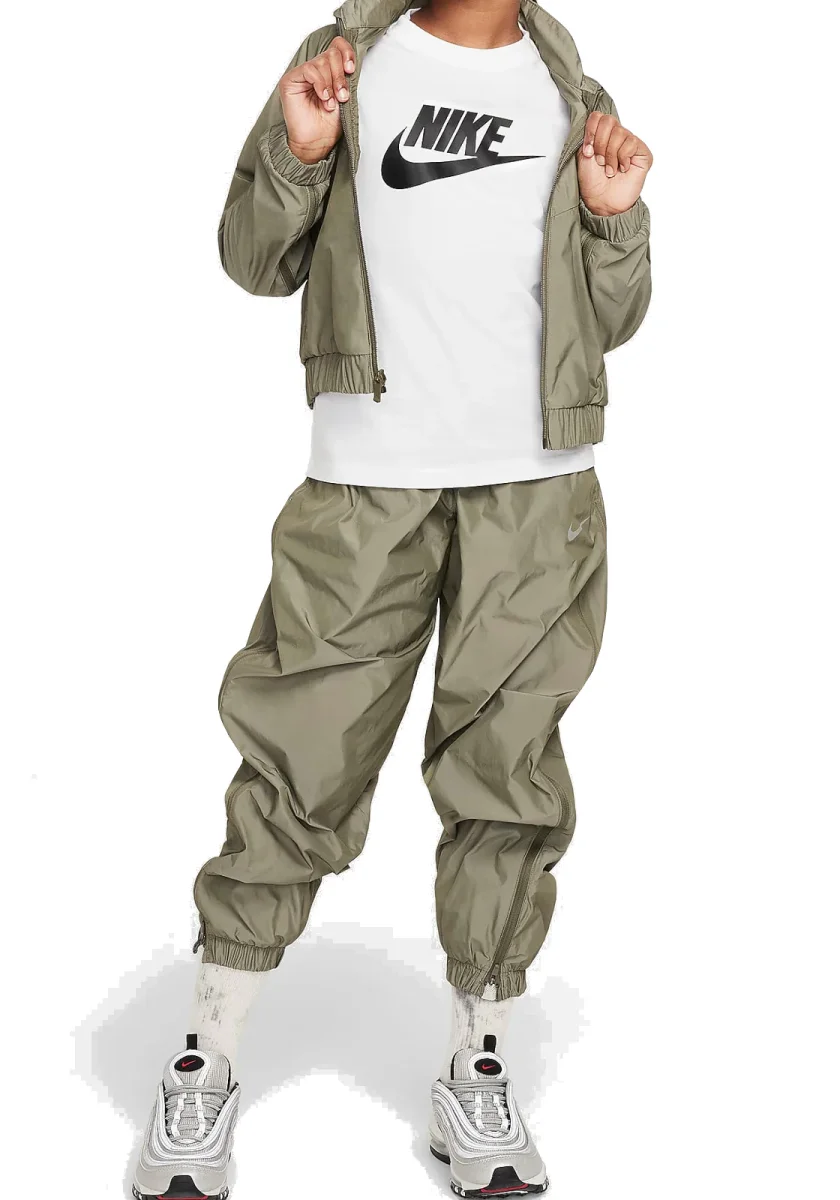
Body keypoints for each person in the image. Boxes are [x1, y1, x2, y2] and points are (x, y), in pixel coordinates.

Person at [133, 1, 652, 1196]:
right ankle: (206, 1054)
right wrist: (302, 145)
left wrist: (614, 219)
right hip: (366, 480)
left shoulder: (575, 94)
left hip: (539, 488)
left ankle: (478, 1068)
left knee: (508, 780)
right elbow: (254, 258)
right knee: (298, 764)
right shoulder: (346, 61)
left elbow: (612, 319)